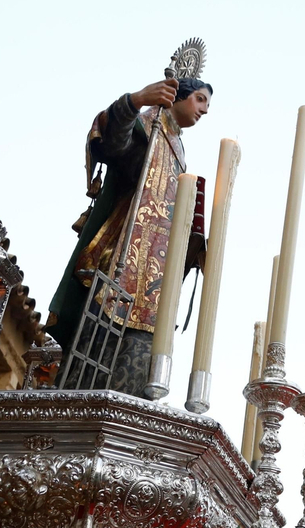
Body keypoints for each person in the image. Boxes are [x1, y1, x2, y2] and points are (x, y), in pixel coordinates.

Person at [47, 75, 211, 395]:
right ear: (178, 95)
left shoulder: (179, 150)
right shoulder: (149, 127)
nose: (205, 110)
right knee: (97, 353)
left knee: (139, 364)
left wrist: (195, 248)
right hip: (122, 260)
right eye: (201, 99)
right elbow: (114, 143)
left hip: (155, 281)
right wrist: (135, 101)